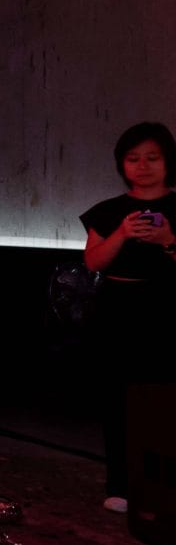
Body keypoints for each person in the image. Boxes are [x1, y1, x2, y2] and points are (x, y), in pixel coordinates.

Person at [81, 121, 176, 514]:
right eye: (133, 158)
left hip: (167, 306)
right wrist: (121, 233)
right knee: (117, 397)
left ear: (168, 162)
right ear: (122, 165)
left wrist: (168, 240)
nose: (143, 166)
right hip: (118, 305)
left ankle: (162, 486)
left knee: (163, 398)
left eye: (152, 158)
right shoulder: (107, 211)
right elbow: (92, 262)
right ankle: (119, 484)